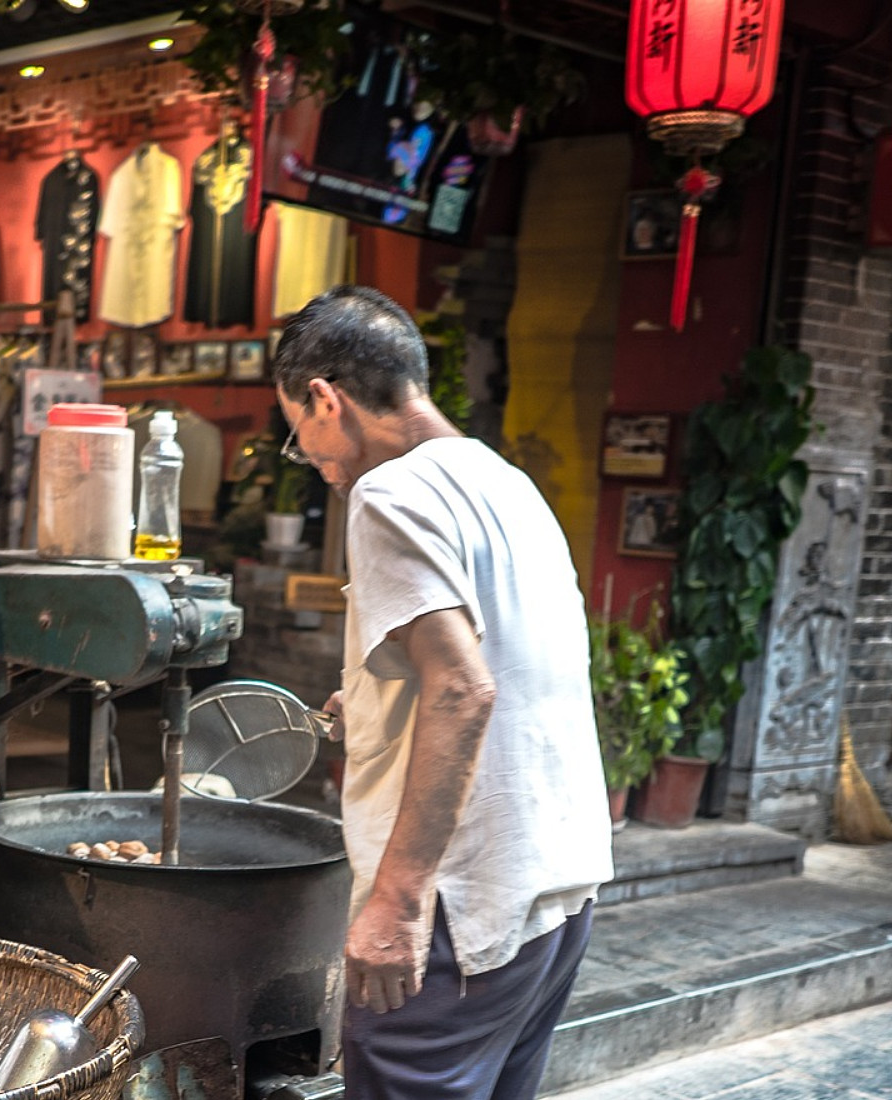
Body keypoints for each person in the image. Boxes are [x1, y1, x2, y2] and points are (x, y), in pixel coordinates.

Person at [273, 285, 612, 1098]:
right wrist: (375, 702)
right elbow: (510, 657)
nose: (313, 461)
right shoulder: (504, 482)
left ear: (327, 400)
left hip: (464, 911)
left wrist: (394, 901)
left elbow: (464, 687)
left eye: (298, 435)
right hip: (556, 892)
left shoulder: (387, 494)